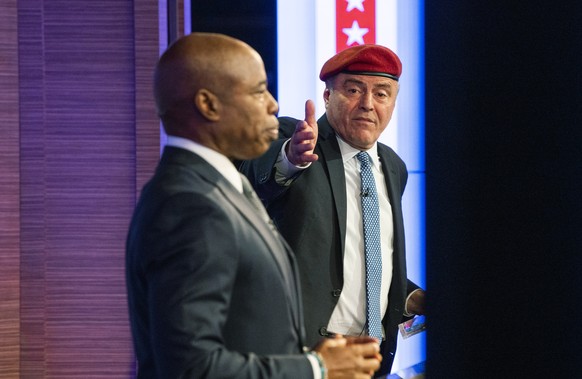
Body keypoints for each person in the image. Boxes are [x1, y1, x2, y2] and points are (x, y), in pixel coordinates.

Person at [125, 32, 383, 379]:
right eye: (259, 91)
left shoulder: (222, 187)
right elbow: (191, 368)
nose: (273, 105)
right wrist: (316, 368)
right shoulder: (189, 204)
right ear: (209, 105)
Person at [238, 44, 426, 376]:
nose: (368, 104)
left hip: (371, 357)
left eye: (382, 94)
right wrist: (291, 159)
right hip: (305, 355)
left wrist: (410, 297)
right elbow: (258, 180)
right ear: (327, 96)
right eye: (353, 90)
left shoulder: (395, 167)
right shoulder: (293, 137)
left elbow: (364, 255)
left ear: (393, 104)